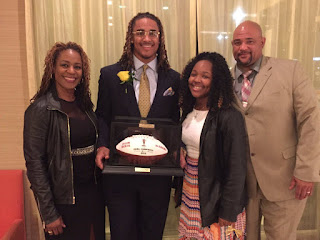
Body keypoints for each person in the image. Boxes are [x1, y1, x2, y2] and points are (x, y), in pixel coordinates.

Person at [231, 20, 320, 240]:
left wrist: (306, 171)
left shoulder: (290, 70)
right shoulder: (224, 78)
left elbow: (311, 119)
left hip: (285, 179)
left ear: (262, 42)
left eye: (249, 41)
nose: (243, 47)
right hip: (243, 185)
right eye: (237, 42)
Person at [95, 12, 180, 240]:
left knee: (152, 234)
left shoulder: (173, 80)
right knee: (122, 233)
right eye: (140, 32)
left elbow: (176, 121)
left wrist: (176, 149)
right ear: (131, 38)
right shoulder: (110, 75)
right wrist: (103, 145)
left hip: (158, 174)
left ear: (160, 38)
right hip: (120, 173)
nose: (146, 38)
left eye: (153, 33)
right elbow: (101, 116)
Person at [23, 42, 105, 240]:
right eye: (64, 65)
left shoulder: (84, 104)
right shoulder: (40, 110)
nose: (71, 71)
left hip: (92, 196)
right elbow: (35, 165)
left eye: (77, 67)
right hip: (63, 201)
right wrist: (49, 213)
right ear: (53, 68)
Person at [177, 52, 247, 240]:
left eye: (205, 76)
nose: (196, 80)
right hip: (191, 187)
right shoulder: (189, 110)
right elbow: (190, 140)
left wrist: (228, 209)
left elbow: (237, 167)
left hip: (216, 196)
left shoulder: (229, 115)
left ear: (217, 81)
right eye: (193, 74)